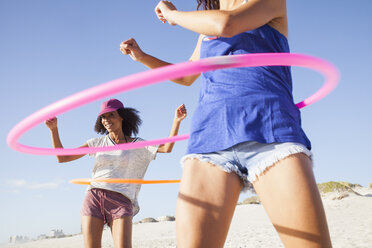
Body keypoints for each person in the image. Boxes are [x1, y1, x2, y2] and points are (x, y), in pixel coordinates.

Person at [120, 0, 332, 247]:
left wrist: (173, 14)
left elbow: (226, 24)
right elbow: (187, 75)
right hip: (210, 137)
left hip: (269, 130)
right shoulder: (205, 28)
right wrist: (142, 57)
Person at [45, 98, 187, 248]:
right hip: (94, 196)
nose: (106, 120)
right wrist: (53, 129)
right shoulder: (97, 143)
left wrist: (177, 121)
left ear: (122, 116)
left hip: (121, 199)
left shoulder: (138, 144)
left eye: (110, 115)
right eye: (103, 117)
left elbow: (166, 148)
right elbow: (63, 157)